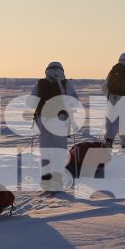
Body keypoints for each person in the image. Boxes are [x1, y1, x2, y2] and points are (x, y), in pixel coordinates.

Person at [32, 60, 76, 192]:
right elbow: (74, 101)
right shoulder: (66, 83)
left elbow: (32, 101)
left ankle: (45, 179)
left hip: (43, 120)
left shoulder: (40, 83)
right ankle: (56, 180)